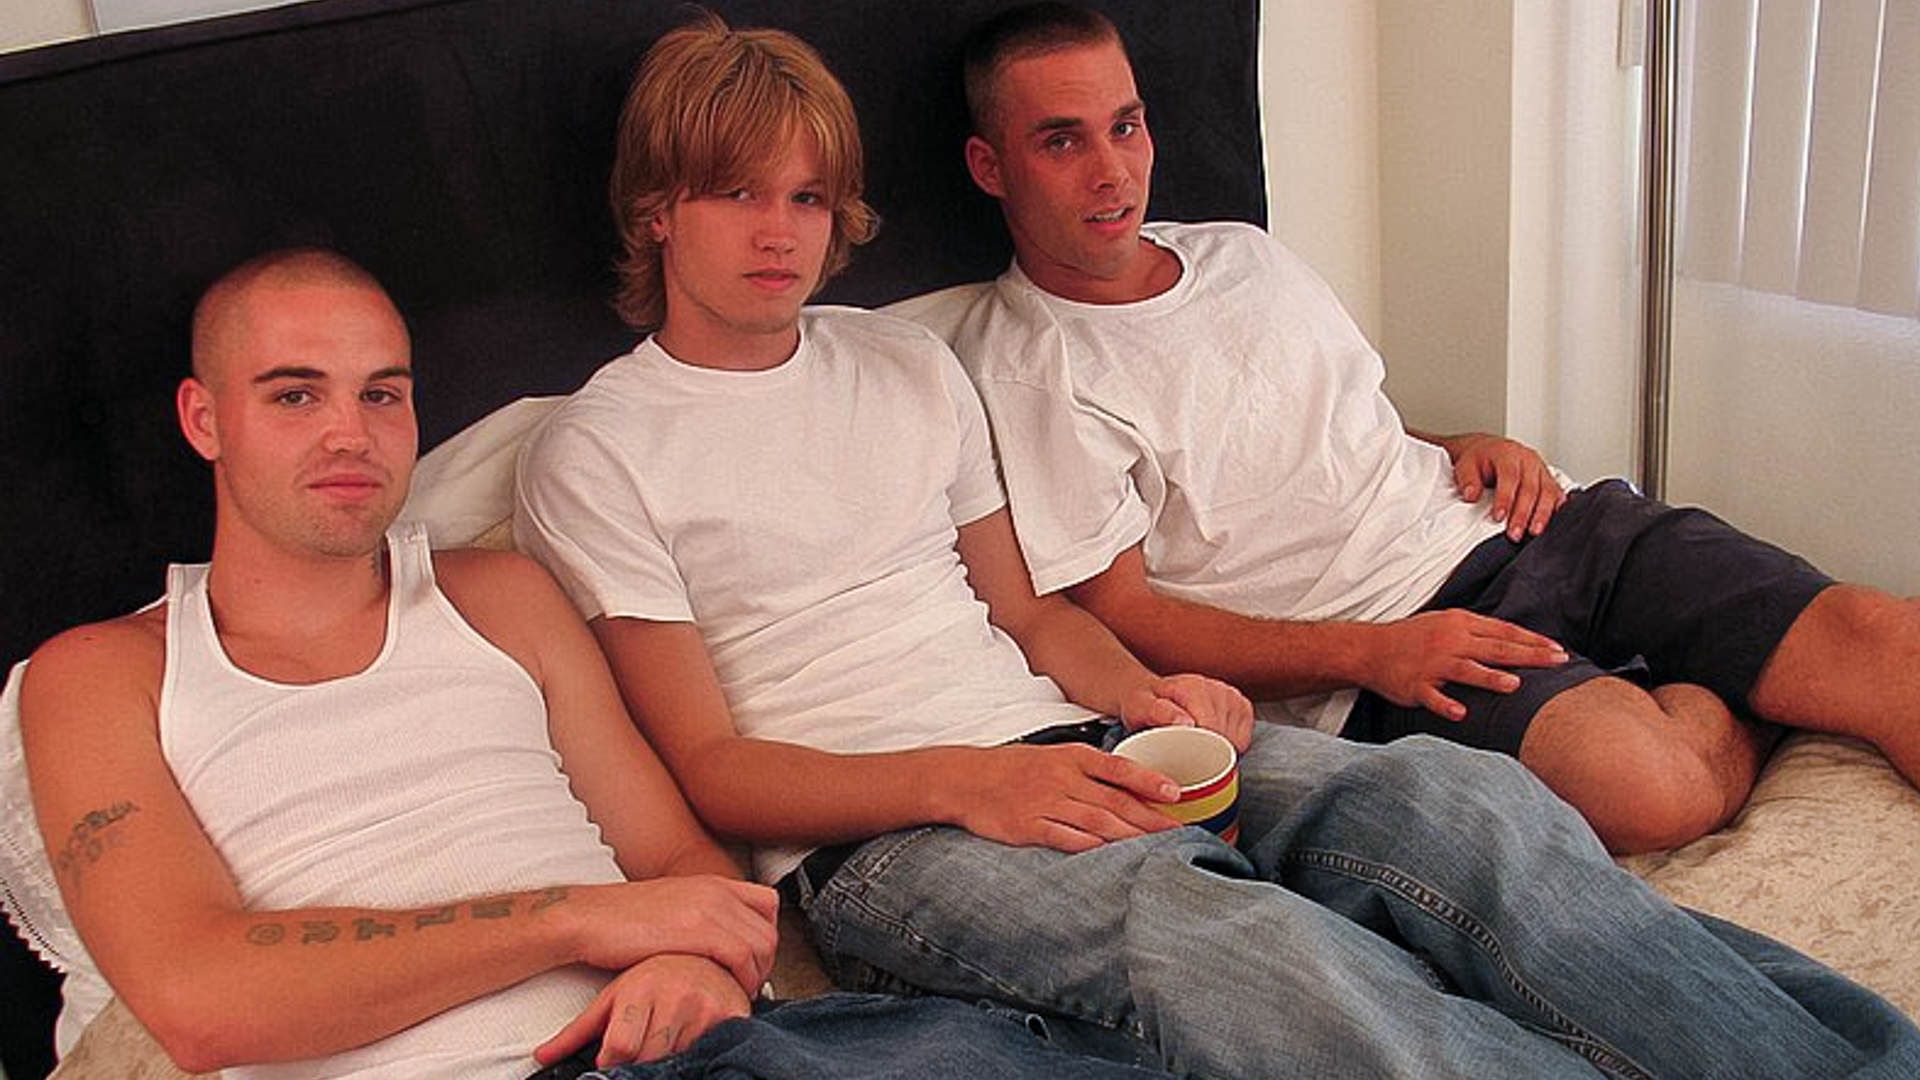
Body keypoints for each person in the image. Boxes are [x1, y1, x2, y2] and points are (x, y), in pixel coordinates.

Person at [513, 12, 1920, 1080]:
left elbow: (1034, 617)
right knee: (1264, 957)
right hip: (891, 839)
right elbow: (711, 765)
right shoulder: (599, 449)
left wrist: (1148, 698)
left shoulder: (904, 366)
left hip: (1074, 744)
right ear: (657, 208)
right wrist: (970, 782)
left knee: (1472, 815)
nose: (780, 234)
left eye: (808, 198)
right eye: (736, 195)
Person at [17, 248, 1176, 1080]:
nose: (348, 434)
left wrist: (703, 970)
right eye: (293, 395)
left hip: (714, 1049)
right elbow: (202, 1000)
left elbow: (679, 860)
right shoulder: (99, 676)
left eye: (383, 393)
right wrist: (579, 923)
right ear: (203, 418)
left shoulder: (501, 597)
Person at [946, 1, 1920, 855]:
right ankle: (1725, 683)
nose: (1112, 171)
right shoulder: (1024, 364)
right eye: (1062, 142)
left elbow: (1329, 426)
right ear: (991, 166)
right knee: (1655, 791)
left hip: (1513, 527)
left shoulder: (1243, 255)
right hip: (1385, 641)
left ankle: (1721, 668)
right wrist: (1373, 654)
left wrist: (1462, 445)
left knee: (1880, 636)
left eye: (1125, 126)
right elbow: (1123, 613)